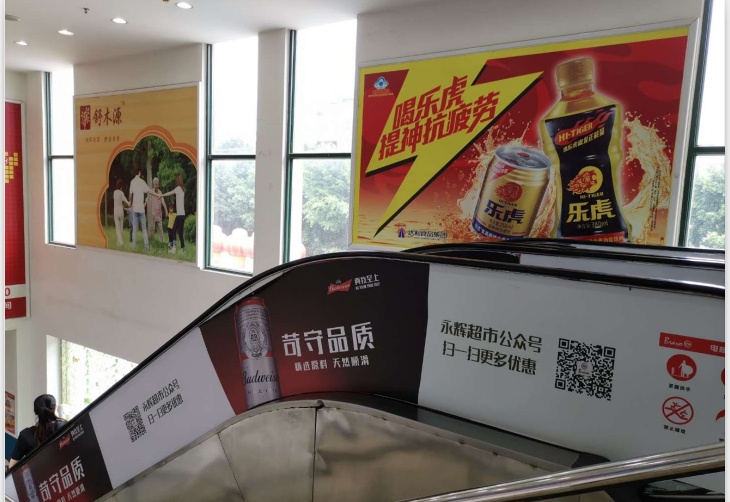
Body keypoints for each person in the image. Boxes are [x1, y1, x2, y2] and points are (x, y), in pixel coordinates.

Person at [8, 395, 67, 468]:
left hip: (38, 475)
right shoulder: (64, 427)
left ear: (36, 412)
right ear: (54, 409)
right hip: (64, 472)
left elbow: (12, 466)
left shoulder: (25, 435)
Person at [152, 173, 186, 254]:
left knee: (173, 230)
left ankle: (174, 248)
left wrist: (161, 195)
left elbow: (170, 193)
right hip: (183, 215)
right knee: (180, 232)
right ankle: (183, 249)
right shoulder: (182, 189)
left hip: (179, 215)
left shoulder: (178, 188)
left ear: (177, 180)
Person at [129, 166, 150, 250]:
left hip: (135, 209)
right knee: (144, 228)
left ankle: (134, 246)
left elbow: (130, 194)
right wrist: (157, 195)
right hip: (141, 209)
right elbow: (148, 190)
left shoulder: (132, 182)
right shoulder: (142, 182)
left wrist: (130, 203)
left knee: (134, 229)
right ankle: (146, 246)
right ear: (139, 172)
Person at [147, 177, 168, 243]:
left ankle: (161, 243)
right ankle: (151, 242)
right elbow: (146, 201)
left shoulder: (160, 192)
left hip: (159, 215)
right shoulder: (151, 192)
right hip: (153, 215)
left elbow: (163, 201)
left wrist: (166, 210)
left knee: (160, 231)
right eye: (155, 185)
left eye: (157, 185)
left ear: (158, 185)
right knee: (152, 230)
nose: (156, 186)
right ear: (153, 184)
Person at [112, 179, 130, 246]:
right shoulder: (121, 193)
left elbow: (116, 201)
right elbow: (125, 200)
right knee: (121, 228)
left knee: (117, 228)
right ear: (121, 187)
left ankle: (120, 242)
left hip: (116, 211)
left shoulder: (114, 192)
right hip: (121, 211)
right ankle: (119, 243)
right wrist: (129, 203)